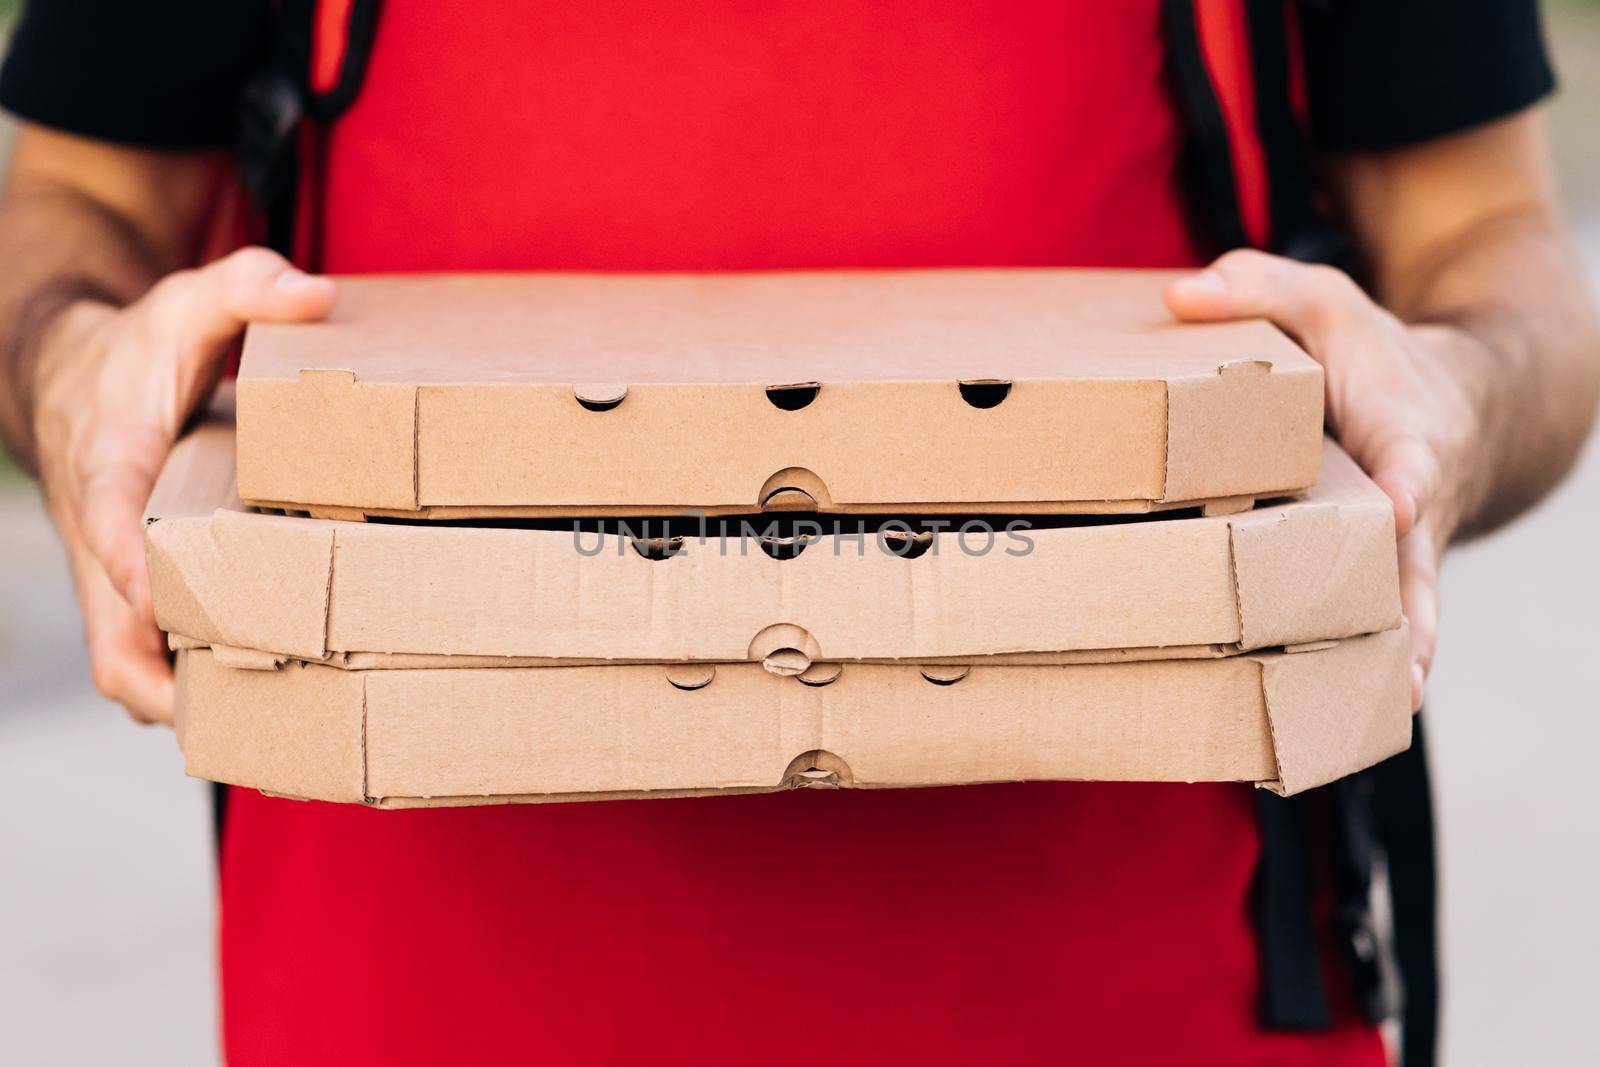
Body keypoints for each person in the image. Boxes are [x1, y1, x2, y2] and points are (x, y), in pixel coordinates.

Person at [0, 2, 1594, 1064]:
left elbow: (1490, 249)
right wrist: (76, 371)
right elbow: (70, 207)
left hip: (1164, 996)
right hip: (402, 1000)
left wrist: (1450, 394)